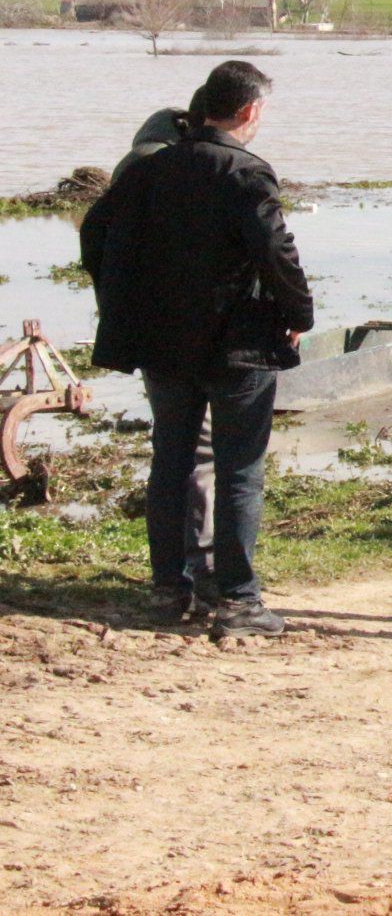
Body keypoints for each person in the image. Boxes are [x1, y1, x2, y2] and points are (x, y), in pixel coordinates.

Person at [80, 60, 314, 636]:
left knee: (171, 463)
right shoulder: (244, 172)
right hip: (237, 347)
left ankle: (169, 591)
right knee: (239, 472)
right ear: (250, 111)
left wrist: (119, 298)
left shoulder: (149, 168)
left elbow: (94, 232)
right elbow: (276, 253)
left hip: (163, 344)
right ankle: (237, 601)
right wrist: (299, 313)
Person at [109, 95, 218, 611]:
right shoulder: (172, 174)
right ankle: (199, 569)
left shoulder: (128, 177)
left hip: (153, 340)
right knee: (200, 454)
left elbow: (99, 250)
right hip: (189, 339)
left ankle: (169, 576)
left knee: (171, 455)